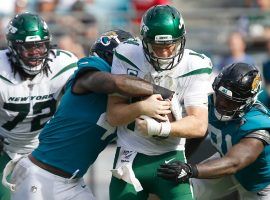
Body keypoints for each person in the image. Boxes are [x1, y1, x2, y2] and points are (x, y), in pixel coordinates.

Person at [3, 29, 174, 200]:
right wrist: (162, 91)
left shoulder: (130, 93)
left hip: (71, 182)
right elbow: (113, 82)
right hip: (41, 177)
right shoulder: (94, 71)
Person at [106, 5, 213, 200]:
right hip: (130, 153)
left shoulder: (194, 64)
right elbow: (113, 115)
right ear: (144, 42)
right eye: (157, 47)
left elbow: (199, 125)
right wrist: (141, 107)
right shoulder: (127, 54)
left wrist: (159, 128)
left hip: (170, 156)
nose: (165, 54)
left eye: (170, 45)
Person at [157, 62, 270, 200]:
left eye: (230, 101)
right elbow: (198, 132)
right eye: (221, 96)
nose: (221, 103)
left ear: (247, 101)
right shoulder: (210, 103)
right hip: (224, 163)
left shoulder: (257, 123)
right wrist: (179, 159)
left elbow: (235, 162)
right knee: (175, 191)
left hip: (260, 183)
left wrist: (190, 170)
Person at [0, 12, 78, 200]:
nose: (35, 52)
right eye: (27, 47)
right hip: (7, 149)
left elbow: (83, 103)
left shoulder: (63, 64)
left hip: (46, 150)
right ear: (13, 48)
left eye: (40, 45)